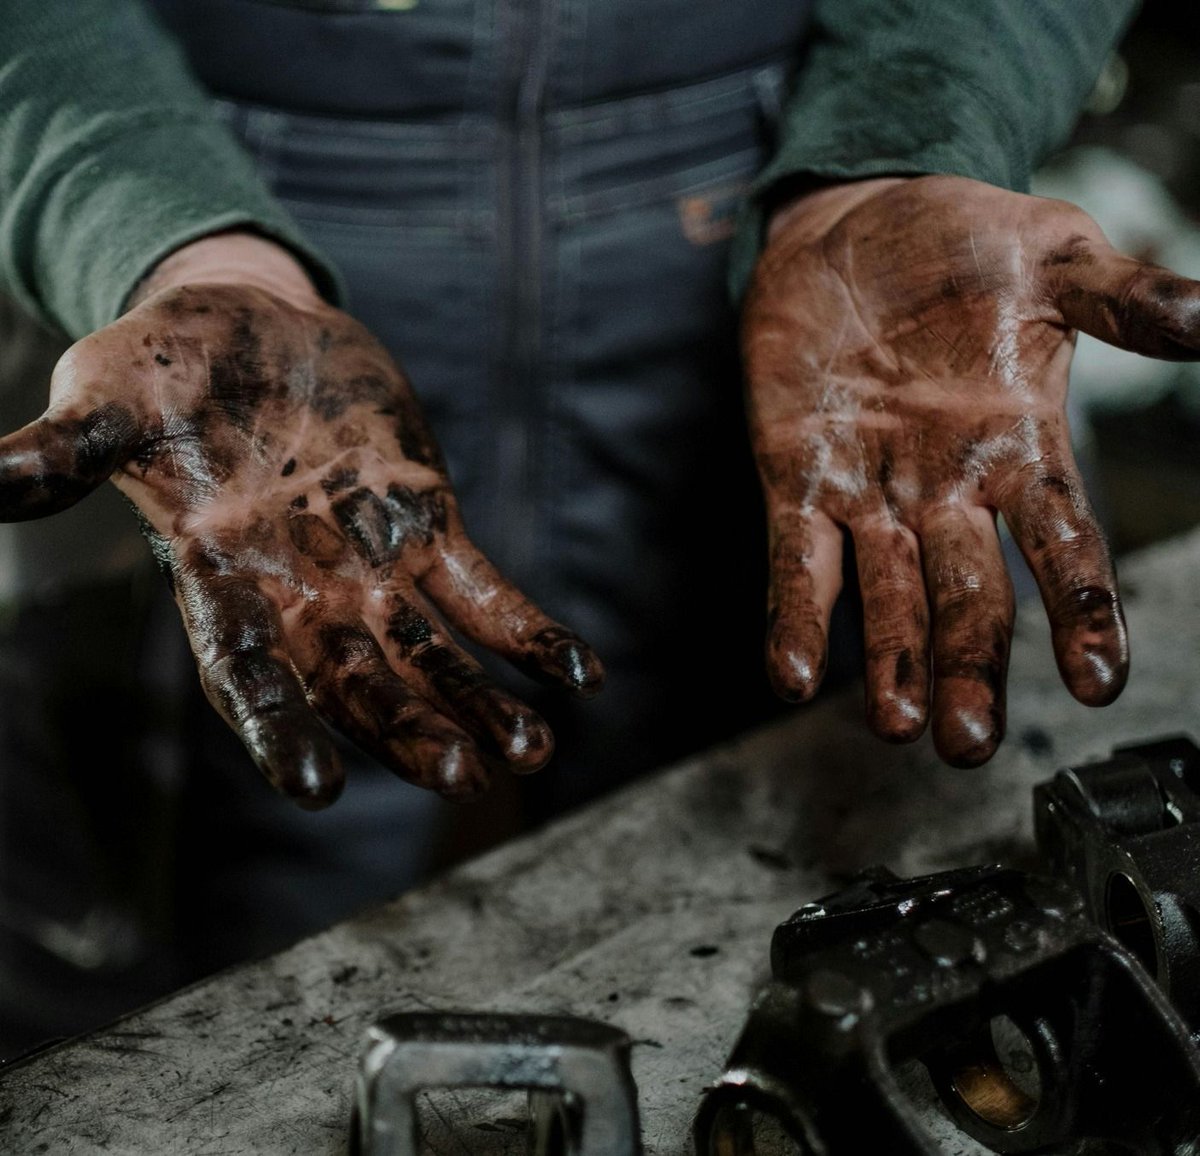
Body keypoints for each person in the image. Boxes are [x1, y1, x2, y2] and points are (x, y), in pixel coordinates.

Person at [2, 0, 1196, 1049]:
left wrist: (905, 141)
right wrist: (151, 224)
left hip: (805, 240)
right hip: (219, 226)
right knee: (222, 951)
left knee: (865, 906)